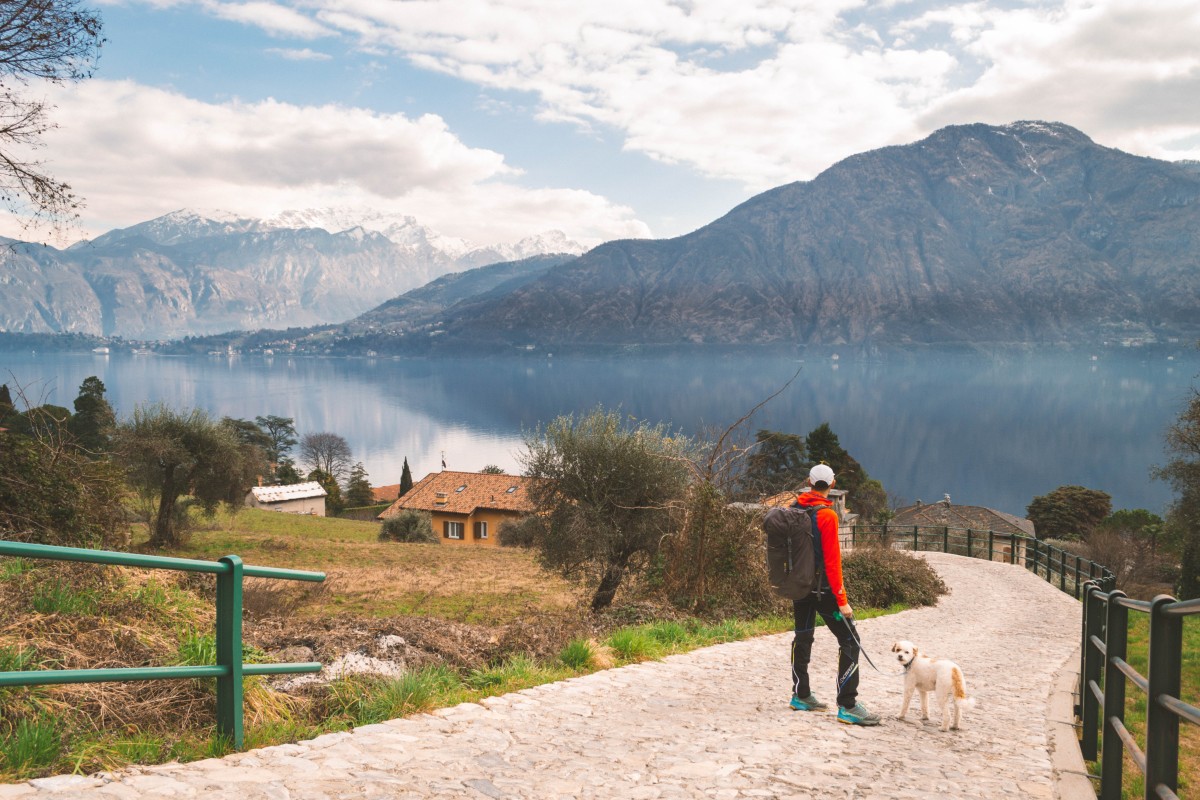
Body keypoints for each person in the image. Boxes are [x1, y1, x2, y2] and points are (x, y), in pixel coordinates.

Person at [788, 463, 881, 726]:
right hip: (824, 592)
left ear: (808, 481)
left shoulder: (793, 510)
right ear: (831, 484)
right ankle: (848, 705)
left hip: (799, 587)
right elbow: (832, 563)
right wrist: (843, 601)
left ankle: (801, 694)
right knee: (850, 640)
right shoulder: (827, 516)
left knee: (803, 637)